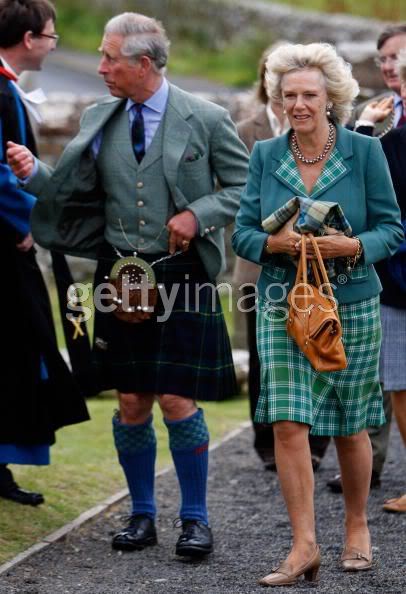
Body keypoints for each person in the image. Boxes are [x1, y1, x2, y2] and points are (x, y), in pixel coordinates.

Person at [7, 12, 249, 555]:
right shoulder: (100, 117)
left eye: (109, 58)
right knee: (132, 401)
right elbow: (73, 193)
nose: (100, 68)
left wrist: (199, 213)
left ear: (143, 63)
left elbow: (242, 187)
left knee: (176, 399)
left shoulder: (205, 117)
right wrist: (32, 174)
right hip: (120, 276)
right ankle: (141, 515)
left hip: (182, 276)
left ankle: (195, 518)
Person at [232, 42, 403, 585]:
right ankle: (303, 544)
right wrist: (275, 245)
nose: (298, 104)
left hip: (350, 304)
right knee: (287, 422)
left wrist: (349, 249)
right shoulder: (265, 155)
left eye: (309, 95)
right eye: (288, 96)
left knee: (353, 424)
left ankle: (357, 527)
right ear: (277, 100)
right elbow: (241, 233)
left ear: (331, 98)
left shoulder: (364, 152)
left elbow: (392, 229)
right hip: (283, 305)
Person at [0, 0, 89, 505]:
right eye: (52, 35)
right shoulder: (0, 89)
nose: (55, 44)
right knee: (15, 349)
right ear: (30, 38)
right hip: (4, 247)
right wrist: (27, 222)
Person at [233, 45, 330, 472]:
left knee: (319, 346)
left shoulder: (330, 131)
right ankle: (268, 441)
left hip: (317, 262)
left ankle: (317, 442)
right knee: (262, 357)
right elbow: (241, 199)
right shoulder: (246, 130)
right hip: (260, 265)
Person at [327, 23, 406, 494]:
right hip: (387, 265)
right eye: (384, 59)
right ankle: (369, 465)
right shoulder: (378, 117)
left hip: (395, 258)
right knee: (387, 374)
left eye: (397, 55)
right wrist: (361, 129)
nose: (390, 65)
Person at [357, 49, 406, 514]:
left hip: (397, 277)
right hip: (396, 280)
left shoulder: (391, 142)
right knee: (400, 380)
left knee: (402, 381)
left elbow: (355, 183)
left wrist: (366, 130)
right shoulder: (393, 142)